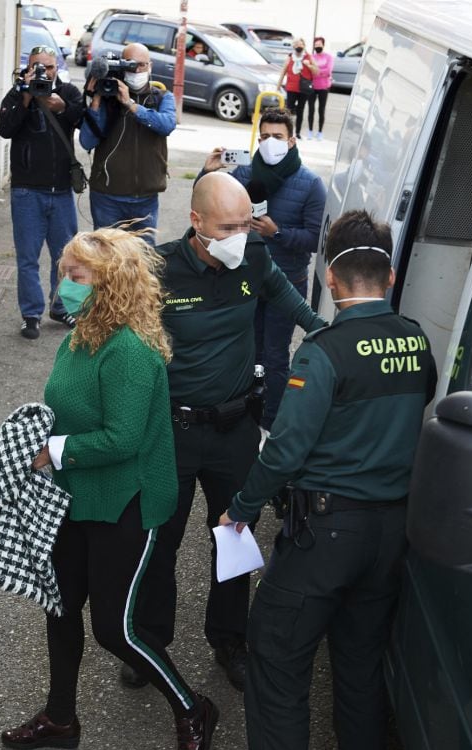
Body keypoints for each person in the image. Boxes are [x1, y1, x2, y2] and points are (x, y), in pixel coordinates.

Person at [218, 210, 437, 750]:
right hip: (391, 534)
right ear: (390, 280)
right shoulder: (416, 343)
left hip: (326, 534)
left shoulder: (323, 351)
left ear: (331, 282)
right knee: (361, 666)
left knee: (275, 654)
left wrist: (240, 510)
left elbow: (285, 450)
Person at [0, 229, 218, 750]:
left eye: (76, 276)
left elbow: (122, 438)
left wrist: (53, 451)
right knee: (60, 605)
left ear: (110, 283)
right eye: (64, 274)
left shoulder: (128, 351)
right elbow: (67, 407)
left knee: (115, 630)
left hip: (127, 502)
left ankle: (194, 709)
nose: (65, 284)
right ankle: (60, 718)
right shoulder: (83, 334)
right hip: (78, 498)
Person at [123, 172, 326, 693]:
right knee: (158, 540)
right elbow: (123, 342)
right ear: (196, 222)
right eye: (229, 226)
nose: (242, 234)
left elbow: (298, 310)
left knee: (234, 537)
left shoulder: (254, 256)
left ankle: (229, 641)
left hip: (235, 426)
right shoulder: (158, 270)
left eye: (246, 223)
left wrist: (345, 339)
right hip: (171, 429)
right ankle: (147, 640)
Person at [202, 108, 326, 430]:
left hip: (288, 282)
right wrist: (208, 173)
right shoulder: (243, 175)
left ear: (292, 140)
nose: (271, 143)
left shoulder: (311, 184)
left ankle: (271, 423)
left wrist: (277, 232)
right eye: (266, 136)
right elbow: (208, 208)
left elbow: (315, 239)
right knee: (244, 349)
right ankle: (244, 414)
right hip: (244, 279)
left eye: (278, 137)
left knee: (274, 356)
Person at [0, 44, 86, 340]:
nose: (42, 72)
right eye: (36, 66)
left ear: (57, 67)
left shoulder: (68, 92)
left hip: (60, 190)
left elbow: (83, 119)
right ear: (27, 67)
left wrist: (62, 107)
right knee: (28, 258)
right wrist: (25, 95)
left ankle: (61, 307)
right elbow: (4, 129)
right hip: (26, 191)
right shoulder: (18, 93)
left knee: (66, 257)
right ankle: (31, 314)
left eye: (47, 67)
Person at [80, 43, 176, 245]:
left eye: (142, 65)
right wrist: (96, 101)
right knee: (106, 261)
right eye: (131, 65)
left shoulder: (161, 97)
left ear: (150, 66)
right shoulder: (108, 98)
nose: (137, 70)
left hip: (146, 199)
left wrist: (131, 105)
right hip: (107, 197)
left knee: (143, 261)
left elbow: (167, 125)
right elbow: (87, 141)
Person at [281, 39, 312, 139]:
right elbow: (283, 71)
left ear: (304, 45)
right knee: (289, 110)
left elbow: (316, 71)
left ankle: (297, 132)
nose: (299, 46)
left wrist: (309, 65)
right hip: (291, 87)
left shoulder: (308, 57)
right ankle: (288, 131)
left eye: (301, 44)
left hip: (303, 88)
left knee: (300, 110)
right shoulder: (290, 57)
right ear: (293, 46)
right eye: (297, 44)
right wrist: (278, 85)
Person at [304, 37, 334, 140]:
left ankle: (320, 132)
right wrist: (319, 71)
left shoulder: (328, 57)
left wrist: (316, 71)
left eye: (319, 45)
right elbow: (309, 71)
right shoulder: (311, 57)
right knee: (311, 109)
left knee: (321, 109)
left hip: (324, 87)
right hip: (312, 86)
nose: (317, 47)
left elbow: (328, 70)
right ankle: (310, 131)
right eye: (316, 45)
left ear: (323, 45)